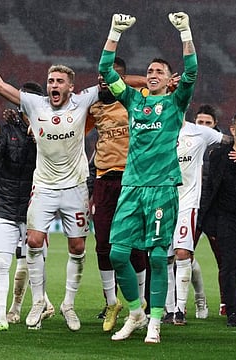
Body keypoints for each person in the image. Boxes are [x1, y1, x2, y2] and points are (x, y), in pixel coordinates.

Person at [0, 27, 100, 332]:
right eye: (50, 80)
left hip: (76, 186)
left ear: (70, 87)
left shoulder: (82, 102)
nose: (53, 85)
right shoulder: (35, 105)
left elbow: (112, 83)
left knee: (78, 247)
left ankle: (68, 303)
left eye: (59, 81)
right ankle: (38, 300)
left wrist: (145, 83)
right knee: (34, 241)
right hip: (45, 187)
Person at [98, 12, 197, 343]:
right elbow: (105, 71)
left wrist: (184, 32)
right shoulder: (132, 101)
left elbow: (193, 72)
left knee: (156, 256)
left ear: (170, 80)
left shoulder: (175, 103)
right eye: (150, 70)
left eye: (160, 71)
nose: (153, 74)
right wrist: (114, 32)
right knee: (116, 254)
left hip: (161, 188)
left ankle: (155, 320)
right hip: (131, 186)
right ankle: (136, 312)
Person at [0, 82, 55, 331]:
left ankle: (37, 311)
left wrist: (38, 139)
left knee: (35, 263)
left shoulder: (50, 130)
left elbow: (56, 162)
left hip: (35, 208)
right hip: (8, 206)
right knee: (2, 263)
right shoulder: (7, 130)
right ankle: (0, 315)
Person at [87, 58, 148, 332]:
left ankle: (142, 301)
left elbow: (148, 84)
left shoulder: (135, 101)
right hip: (103, 181)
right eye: (100, 77)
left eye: (107, 77)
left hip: (132, 179)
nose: (102, 81)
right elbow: (74, 130)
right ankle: (112, 302)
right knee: (103, 244)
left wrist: (121, 80)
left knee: (135, 244)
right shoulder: (95, 108)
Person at [164, 120, 232, 325]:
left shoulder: (200, 133)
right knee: (163, 257)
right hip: (161, 201)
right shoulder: (157, 128)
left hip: (187, 202)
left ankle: (179, 310)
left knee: (183, 253)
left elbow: (229, 141)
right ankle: (167, 309)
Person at [199, 112, 236, 327]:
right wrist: (209, 223)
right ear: (233, 130)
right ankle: (232, 312)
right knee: (228, 267)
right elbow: (210, 188)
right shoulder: (219, 155)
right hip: (226, 220)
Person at [194, 104, 226, 316]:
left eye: (208, 123)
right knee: (182, 255)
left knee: (223, 258)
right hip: (192, 205)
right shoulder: (184, 142)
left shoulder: (224, 149)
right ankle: (200, 298)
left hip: (216, 209)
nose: (203, 127)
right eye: (200, 123)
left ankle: (225, 302)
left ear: (215, 127)